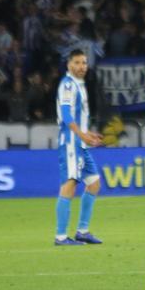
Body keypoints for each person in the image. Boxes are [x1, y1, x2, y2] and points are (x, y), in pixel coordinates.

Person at [54, 49, 104, 246]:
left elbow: (76, 118)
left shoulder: (78, 85)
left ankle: (82, 231)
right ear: (68, 65)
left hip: (80, 142)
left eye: (84, 63)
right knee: (70, 184)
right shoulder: (68, 85)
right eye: (77, 62)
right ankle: (60, 236)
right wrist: (82, 135)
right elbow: (66, 116)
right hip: (71, 143)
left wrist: (87, 133)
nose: (81, 66)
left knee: (94, 184)